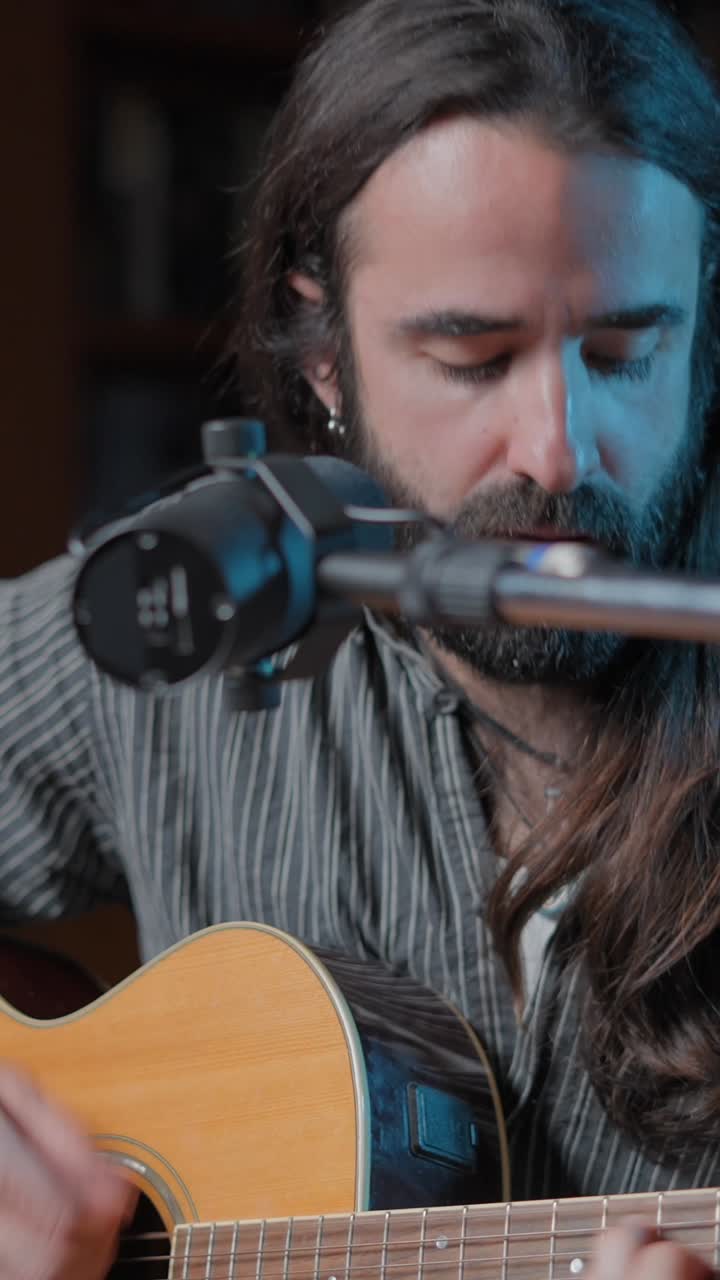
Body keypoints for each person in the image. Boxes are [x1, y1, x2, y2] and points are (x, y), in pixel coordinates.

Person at [1, 0, 720, 1275]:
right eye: (474, 355)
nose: (557, 446)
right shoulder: (198, 605)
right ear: (325, 351)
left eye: (623, 350)